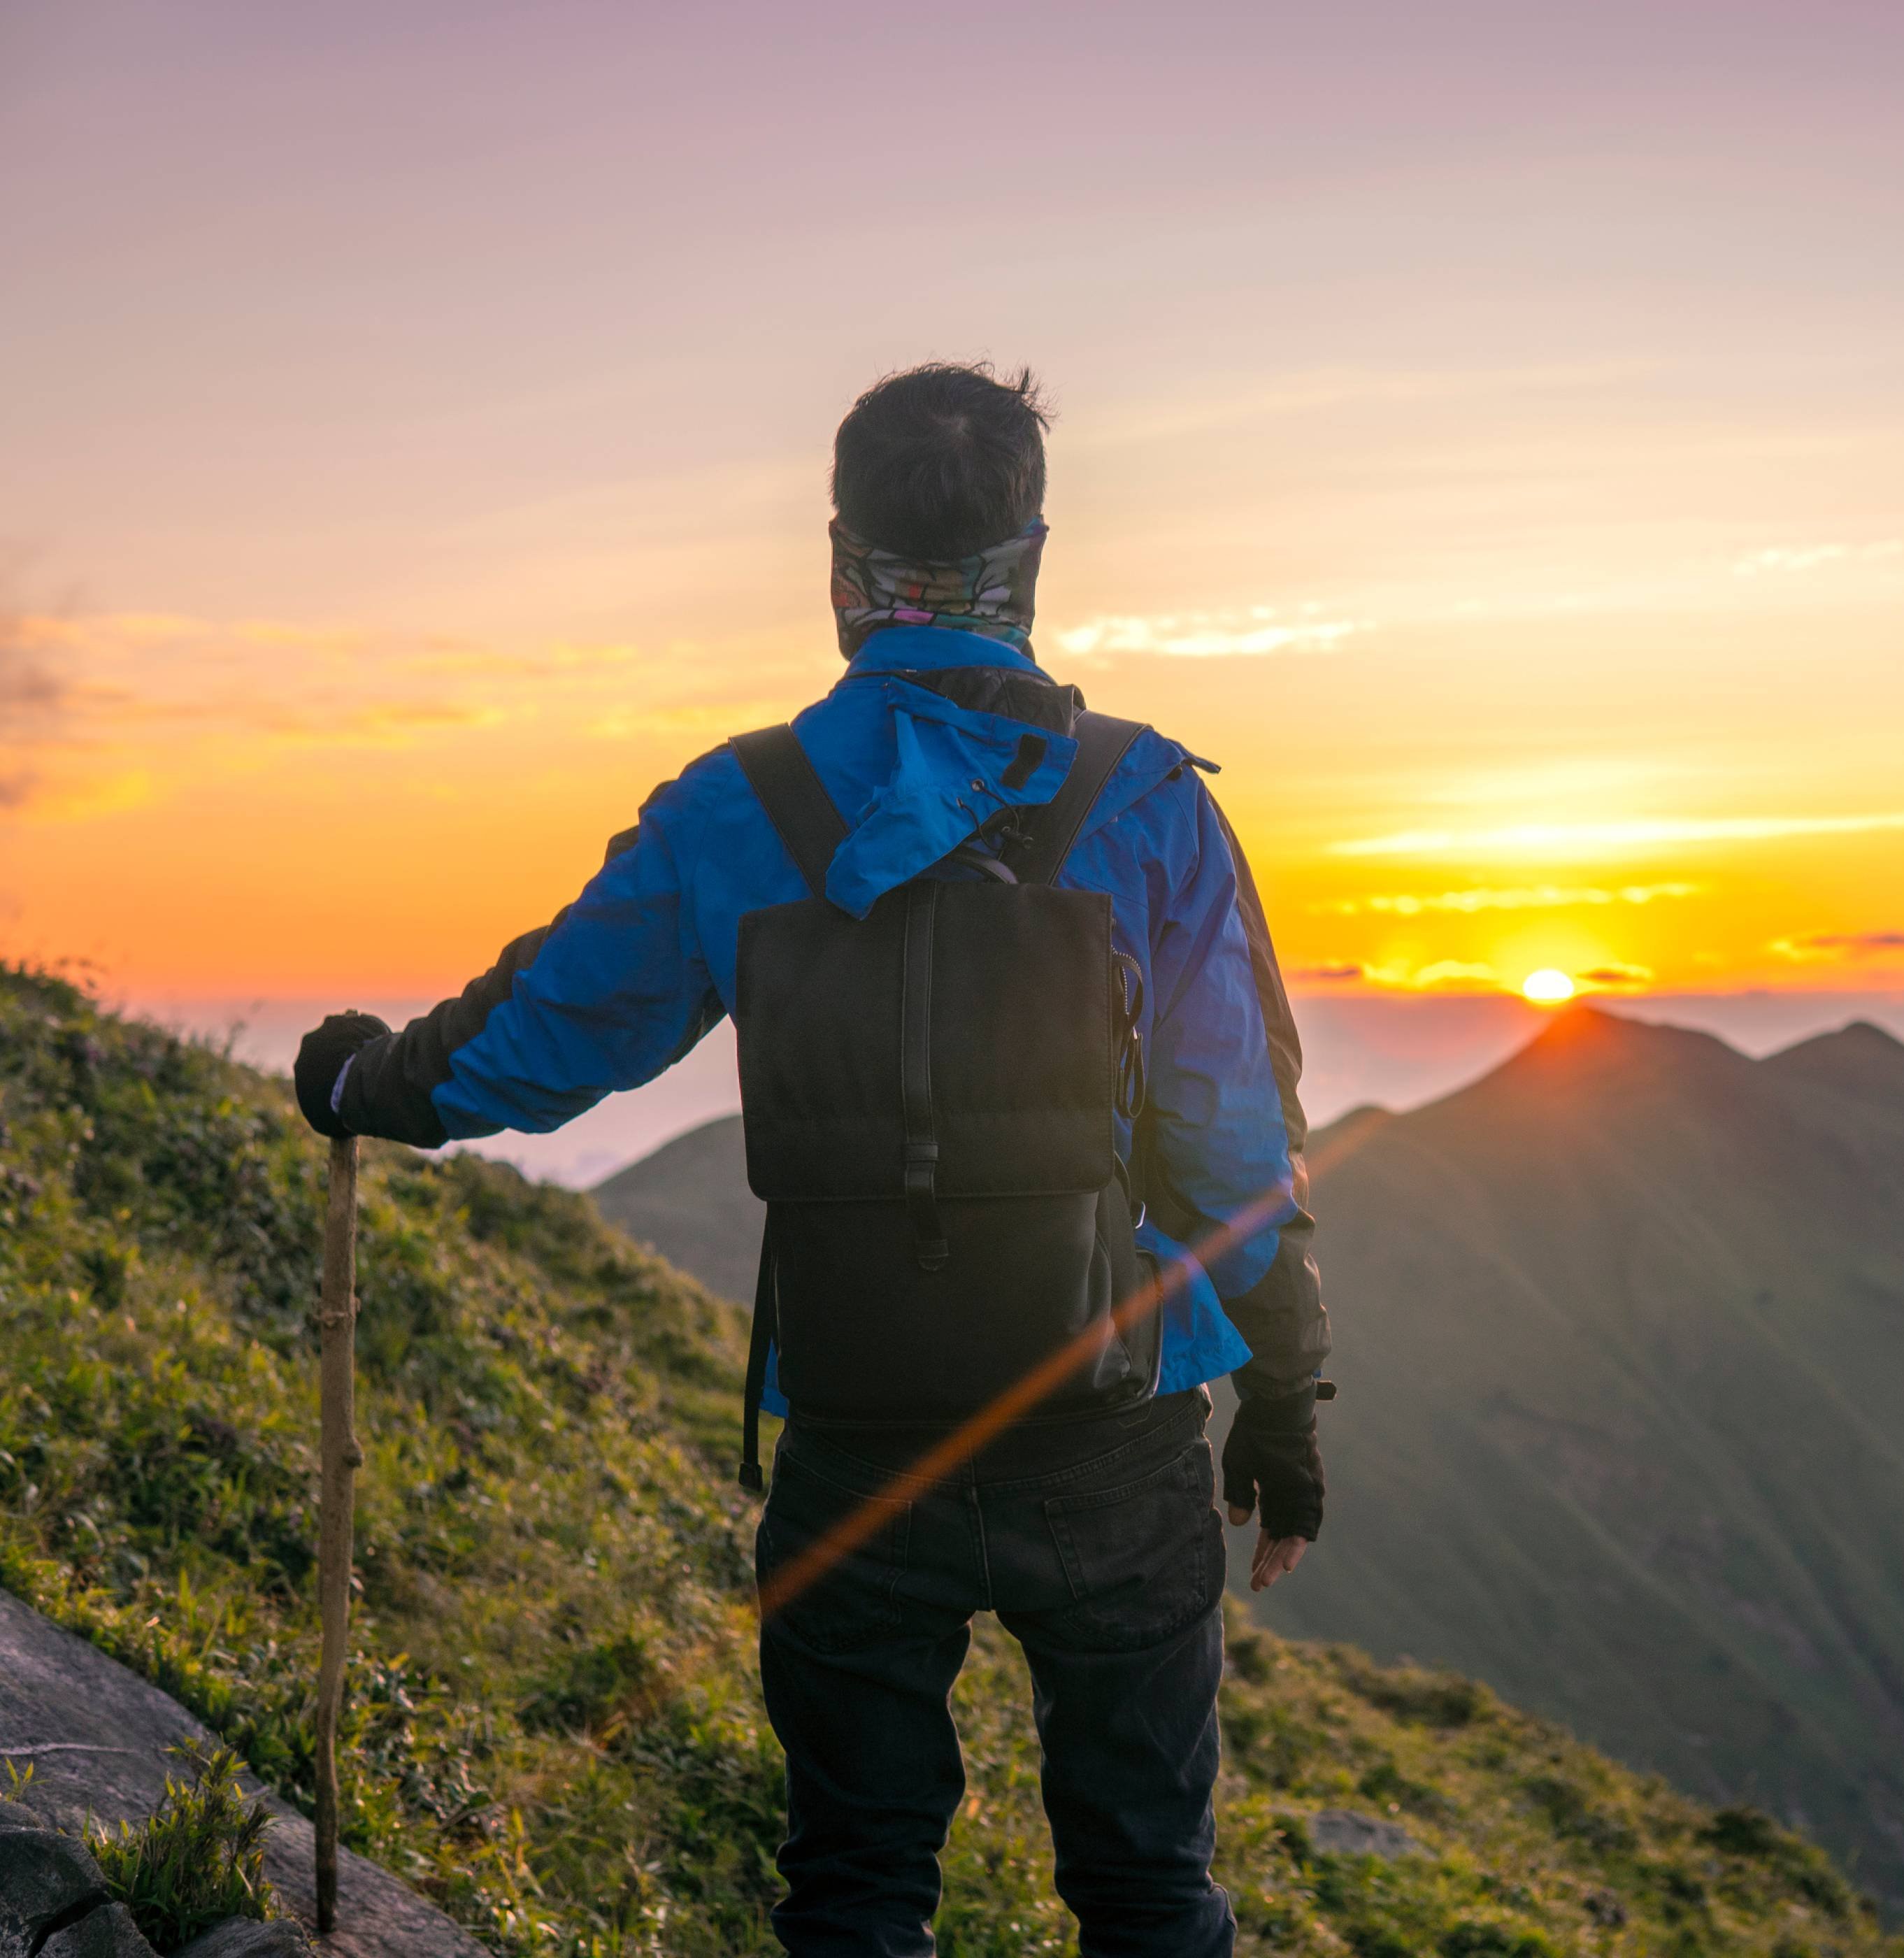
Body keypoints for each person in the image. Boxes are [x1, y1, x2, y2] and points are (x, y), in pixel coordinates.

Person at [293, 362, 1329, 1958]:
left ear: (844, 568)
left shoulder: (739, 809)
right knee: (1148, 1890)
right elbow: (1233, 1141)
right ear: (1030, 562)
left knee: (854, 1889)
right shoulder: (1148, 808)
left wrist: (368, 1080)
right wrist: (1285, 1395)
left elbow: (546, 1037)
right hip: (1112, 1433)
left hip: (854, 1439)